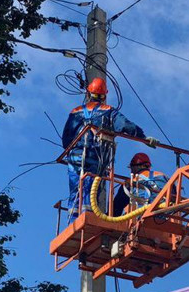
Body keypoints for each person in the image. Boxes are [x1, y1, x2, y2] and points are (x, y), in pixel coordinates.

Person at [62, 77, 157, 221]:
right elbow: (126, 126)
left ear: (88, 94)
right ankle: (88, 218)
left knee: (76, 190)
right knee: (91, 189)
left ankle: (74, 221)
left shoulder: (75, 112)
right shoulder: (108, 111)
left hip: (75, 158)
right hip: (96, 158)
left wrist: (72, 150)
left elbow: (66, 138)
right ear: (104, 96)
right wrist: (143, 138)